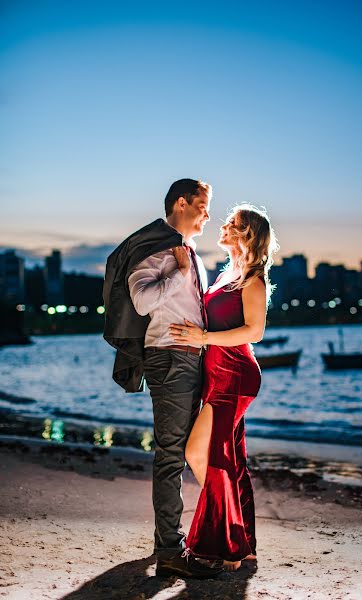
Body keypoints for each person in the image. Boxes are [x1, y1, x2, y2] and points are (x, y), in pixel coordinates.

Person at [169, 204, 278, 572]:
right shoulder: (227, 274)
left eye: (234, 223)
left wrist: (203, 338)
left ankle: (227, 543)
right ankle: (242, 544)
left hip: (235, 375)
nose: (225, 225)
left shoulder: (253, 279)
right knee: (230, 461)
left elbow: (255, 332)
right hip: (217, 375)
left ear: (247, 234)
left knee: (201, 455)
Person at [128, 179, 223, 579]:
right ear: (181, 203)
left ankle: (171, 543)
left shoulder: (190, 252)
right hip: (169, 358)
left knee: (184, 452)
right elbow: (142, 300)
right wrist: (178, 274)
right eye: (202, 205)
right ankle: (170, 550)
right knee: (170, 456)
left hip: (191, 359)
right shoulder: (157, 248)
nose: (206, 213)